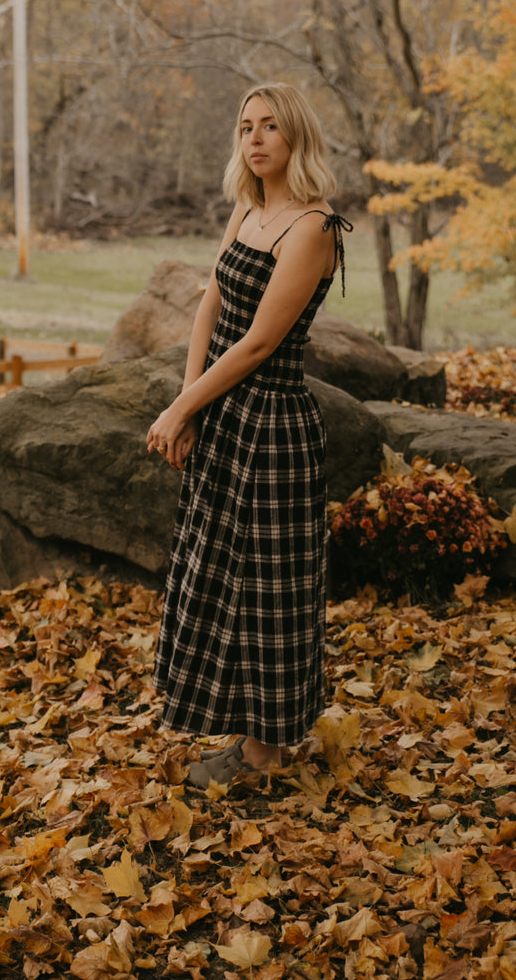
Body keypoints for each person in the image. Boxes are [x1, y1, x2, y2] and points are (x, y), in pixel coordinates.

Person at [146, 83, 350, 789]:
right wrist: (189, 399)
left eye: (269, 127)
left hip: (272, 425)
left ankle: (265, 755)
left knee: (269, 590)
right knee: (219, 577)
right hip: (225, 411)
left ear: (296, 137)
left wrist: (179, 412)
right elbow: (213, 297)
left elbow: (261, 342)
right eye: (245, 128)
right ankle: (250, 740)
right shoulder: (252, 206)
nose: (255, 139)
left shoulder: (314, 227)